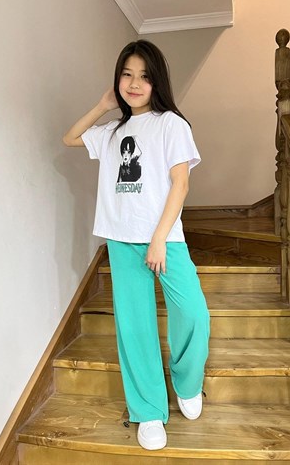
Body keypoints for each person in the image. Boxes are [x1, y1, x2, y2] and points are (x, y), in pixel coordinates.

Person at [62, 39, 210, 451]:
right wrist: (102, 105)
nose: (134, 83)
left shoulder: (171, 125)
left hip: (164, 237)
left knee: (193, 313)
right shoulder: (112, 131)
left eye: (144, 76)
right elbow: (70, 138)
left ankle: (187, 382)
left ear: (156, 81)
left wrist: (159, 238)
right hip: (121, 237)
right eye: (126, 74)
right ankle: (147, 410)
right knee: (135, 325)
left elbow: (180, 183)